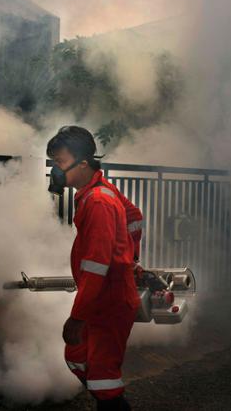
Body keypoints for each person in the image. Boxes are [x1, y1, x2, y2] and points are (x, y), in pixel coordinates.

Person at [46, 126, 144, 411]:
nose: (56, 170)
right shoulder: (97, 192)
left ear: (83, 163)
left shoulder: (99, 201)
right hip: (100, 299)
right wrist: (131, 256)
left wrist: (77, 317)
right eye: (54, 163)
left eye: (60, 163)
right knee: (77, 356)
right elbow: (134, 218)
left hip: (108, 301)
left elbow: (96, 267)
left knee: (104, 381)